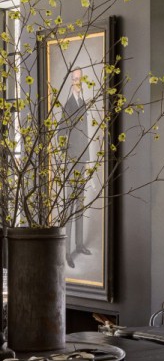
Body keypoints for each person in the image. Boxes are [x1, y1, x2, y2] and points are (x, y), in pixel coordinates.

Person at [62, 68, 92, 268]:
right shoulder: (68, 105)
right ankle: (66, 253)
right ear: (71, 81)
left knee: (80, 205)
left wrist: (88, 160)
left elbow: (86, 132)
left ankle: (79, 244)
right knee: (70, 207)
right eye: (74, 79)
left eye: (79, 79)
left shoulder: (83, 102)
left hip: (82, 161)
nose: (77, 82)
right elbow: (60, 134)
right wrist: (71, 158)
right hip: (72, 162)